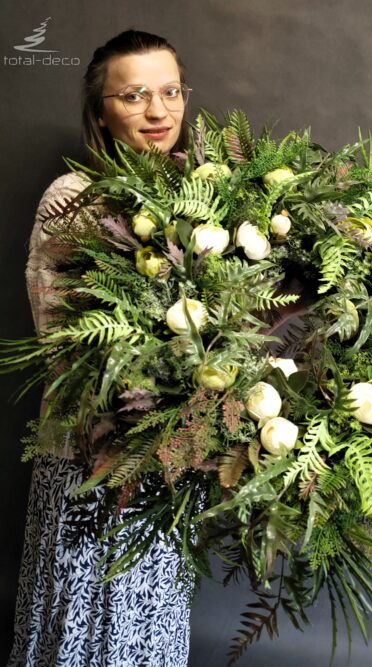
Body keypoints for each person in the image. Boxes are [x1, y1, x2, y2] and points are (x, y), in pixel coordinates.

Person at [8, 30, 195, 667]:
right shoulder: (72, 200)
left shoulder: (206, 197)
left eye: (170, 92)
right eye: (135, 95)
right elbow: (62, 345)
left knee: (153, 611)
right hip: (97, 451)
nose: (158, 111)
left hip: (174, 453)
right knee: (89, 616)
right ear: (100, 112)